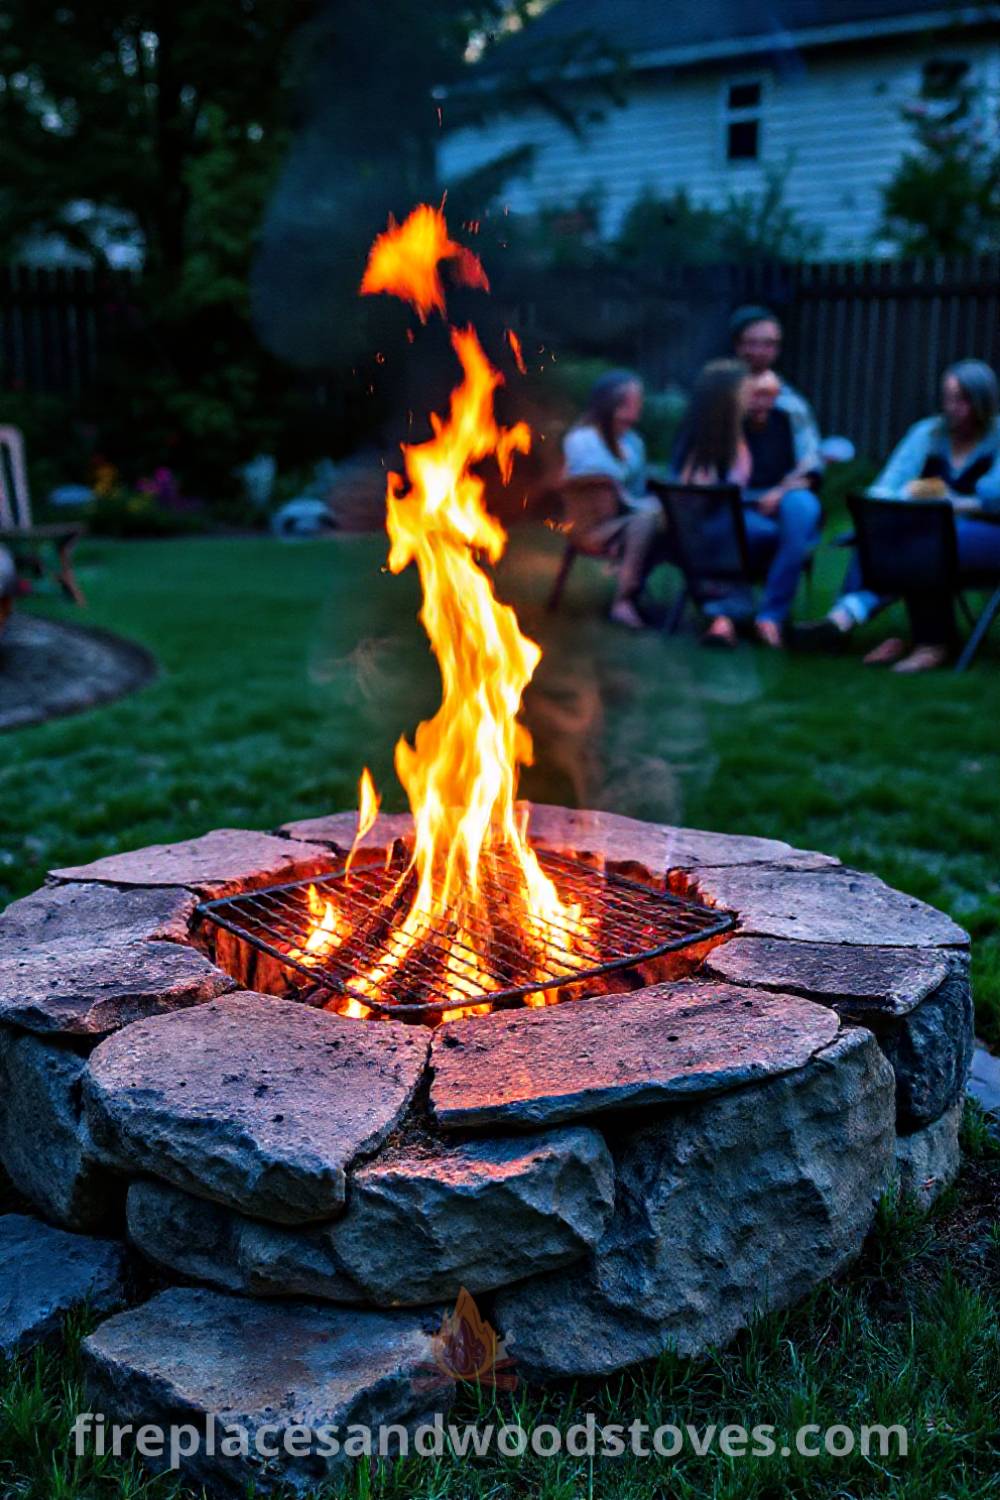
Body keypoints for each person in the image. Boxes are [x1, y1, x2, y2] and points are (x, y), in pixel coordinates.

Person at [797, 359, 1000, 672]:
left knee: (926, 542)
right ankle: (838, 624)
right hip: (932, 529)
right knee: (877, 534)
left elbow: (995, 497)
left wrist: (955, 503)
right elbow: (885, 488)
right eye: (947, 397)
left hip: (987, 535)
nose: (950, 407)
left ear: (982, 400)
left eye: (960, 399)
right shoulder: (928, 433)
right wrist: (906, 499)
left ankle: (931, 642)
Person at [673, 360, 822, 647]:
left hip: (730, 523)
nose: (753, 399)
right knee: (759, 533)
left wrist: (781, 490)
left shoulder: (736, 435)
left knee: (794, 516)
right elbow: (697, 494)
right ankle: (736, 617)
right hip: (711, 529)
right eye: (747, 392)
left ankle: (745, 618)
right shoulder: (711, 440)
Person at [562, 369, 662, 630]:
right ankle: (624, 602)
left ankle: (639, 594)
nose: (638, 409)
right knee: (645, 521)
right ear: (614, 404)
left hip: (625, 520)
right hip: (592, 528)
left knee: (660, 519)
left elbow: (636, 491)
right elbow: (596, 480)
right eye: (634, 402)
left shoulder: (633, 443)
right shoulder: (583, 440)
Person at [730, 305, 822, 475]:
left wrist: (779, 491)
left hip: (778, 490)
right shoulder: (716, 396)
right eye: (751, 342)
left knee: (801, 502)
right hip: (723, 488)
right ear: (737, 344)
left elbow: (810, 460)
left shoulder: (791, 404)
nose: (759, 351)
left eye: (768, 344)